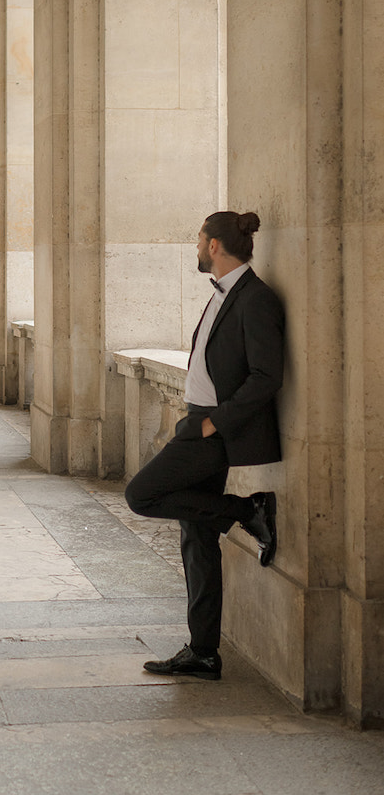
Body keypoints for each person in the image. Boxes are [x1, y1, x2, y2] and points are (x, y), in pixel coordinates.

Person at [124, 212, 284, 680]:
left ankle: (246, 511)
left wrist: (215, 424)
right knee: (197, 537)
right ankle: (204, 652)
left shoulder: (255, 299)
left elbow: (267, 377)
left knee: (142, 495)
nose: (196, 248)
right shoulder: (224, 293)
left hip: (213, 430)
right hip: (197, 420)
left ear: (214, 245)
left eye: (198, 240)